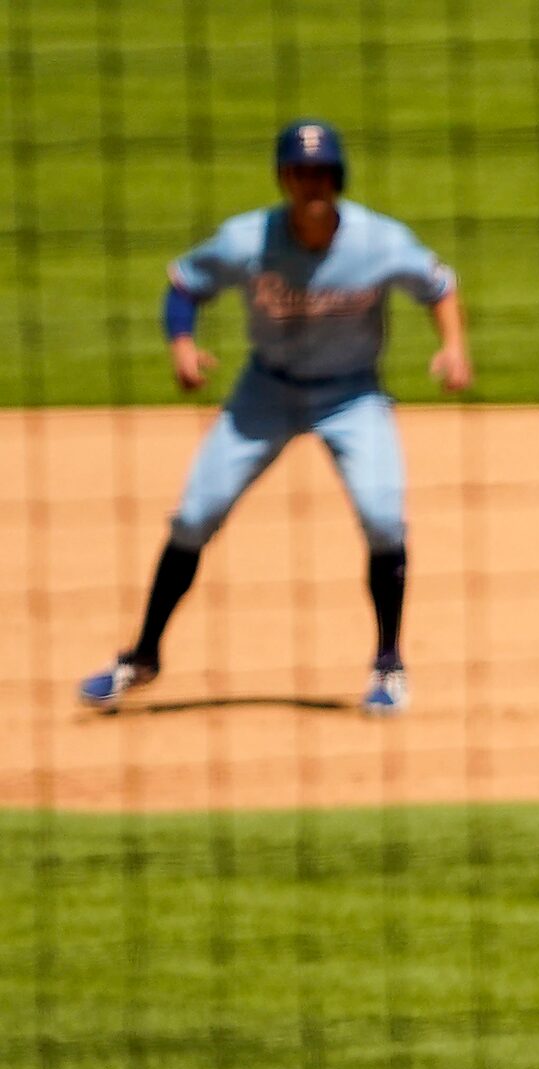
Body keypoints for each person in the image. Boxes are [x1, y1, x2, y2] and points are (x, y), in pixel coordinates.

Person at [79, 119, 471, 717]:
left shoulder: (378, 240)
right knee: (193, 515)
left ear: (337, 177)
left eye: (321, 171)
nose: (311, 182)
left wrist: (453, 346)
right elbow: (184, 284)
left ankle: (389, 664)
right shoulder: (247, 240)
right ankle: (143, 655)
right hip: (266, 390)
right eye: (300, 171)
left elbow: (438, 285)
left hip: (351, 396)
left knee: (383, 519)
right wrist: (181, 345)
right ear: (284, 177)